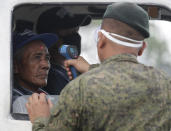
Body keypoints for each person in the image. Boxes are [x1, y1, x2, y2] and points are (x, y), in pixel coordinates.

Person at [26, 3, 171, 131]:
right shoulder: (165, 84)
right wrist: (92, 69)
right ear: (142, 48)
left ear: (100, 40)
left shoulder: (80, 89)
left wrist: (40, 120)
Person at [36, 7, 91, 95]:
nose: (75, 37)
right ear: (50, 39)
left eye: (76, 31)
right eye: (68, 33)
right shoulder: (51, 77)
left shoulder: (72, 69)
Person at [12, 29, 58, 102]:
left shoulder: (44, 96)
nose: (46, 65)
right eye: (36, 57)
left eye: (47, 58)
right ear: (15, 66)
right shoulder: (15, 102)